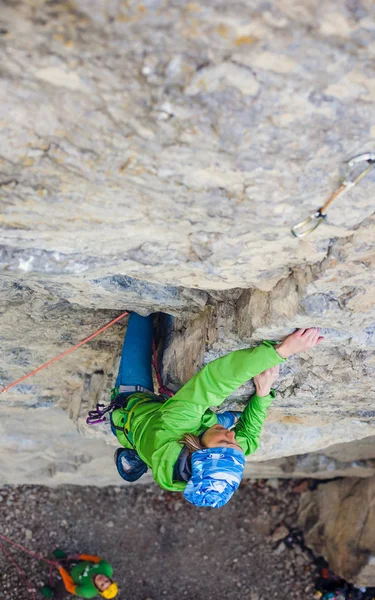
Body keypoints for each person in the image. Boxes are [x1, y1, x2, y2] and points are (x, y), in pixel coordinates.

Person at [110, 313, 324, 508]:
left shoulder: (175, 425)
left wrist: (281, 351)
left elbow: (214, 381)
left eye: (225, 442)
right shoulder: (218, 458)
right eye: (235, 445)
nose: (232, 436)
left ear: (197, 450)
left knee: (142, 318)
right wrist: (262, 394)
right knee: (233, 419)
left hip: (135, 407)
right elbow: (248, 437)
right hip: (185, 424)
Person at [42, 549, 118, 599]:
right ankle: (64, 560)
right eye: (107, 581)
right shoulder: (106, 568)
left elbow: (69, 586)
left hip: (72, 579)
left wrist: (61, 570)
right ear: (110, 579)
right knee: (71, 562)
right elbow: (97, 559)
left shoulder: (87, 592)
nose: (102, 580)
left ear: (98, 589)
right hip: (81, 565)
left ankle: (53, 594)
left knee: (62, 590)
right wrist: (82, 556)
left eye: (102, 585)